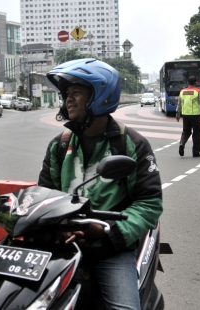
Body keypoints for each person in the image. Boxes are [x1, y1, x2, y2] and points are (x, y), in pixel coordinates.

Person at [39, 58, 163, 310]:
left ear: (100, 95)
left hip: (111, 250)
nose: (68, 99)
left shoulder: (131, 144)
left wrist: (107, 231)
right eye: (67, 93)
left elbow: (149, 203)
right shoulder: (60, 144)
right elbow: (44, 195)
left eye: (77, 92)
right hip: (64, 245)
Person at [175, 76, 200, 157]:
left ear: (187, 83)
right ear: (195, 83)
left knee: (185, 132)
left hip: (185, 115)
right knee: (197, 133)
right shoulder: (197, 91)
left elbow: (179, 104)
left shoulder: (182, 91)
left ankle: (182, 143)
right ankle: (195, 152)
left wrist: (177, 113)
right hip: (195, 116)